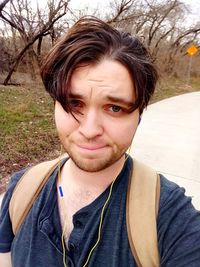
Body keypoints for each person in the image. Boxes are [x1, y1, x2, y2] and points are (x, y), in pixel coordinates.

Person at [0, 16, 200, 267]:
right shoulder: (21, 191)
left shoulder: (170, 218)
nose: (90, 129)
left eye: (114, 108)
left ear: (139, 114)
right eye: (74, 104)